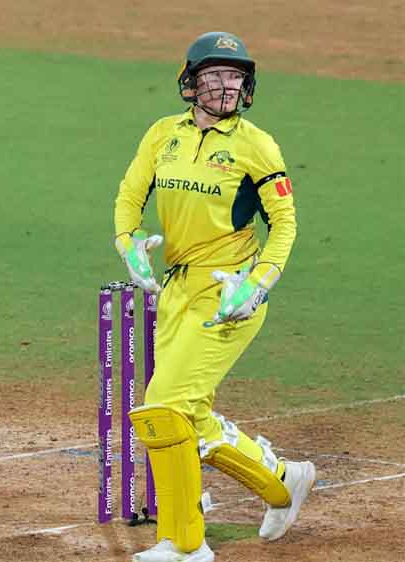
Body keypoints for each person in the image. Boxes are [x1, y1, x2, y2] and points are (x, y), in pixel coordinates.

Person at [113, 32, 315, 561]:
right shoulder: (163, 135)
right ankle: (282, 482)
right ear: (191, 81)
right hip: (177, 287)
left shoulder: (257, 144)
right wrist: (128, 242)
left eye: (236, 77)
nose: (227, 86)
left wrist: (259, 282)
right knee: (191, 414)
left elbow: (285, 223)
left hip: (229, 292)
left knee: (164, 405)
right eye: (216, 75)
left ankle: (184, 544)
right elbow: (130, 196)